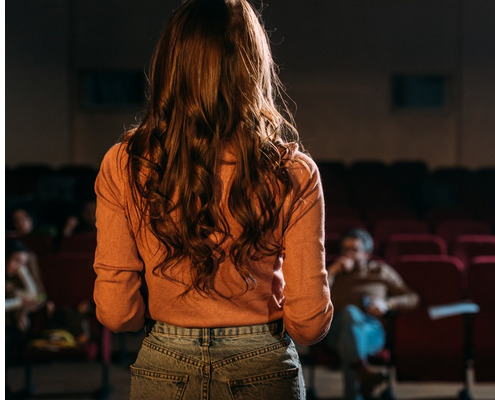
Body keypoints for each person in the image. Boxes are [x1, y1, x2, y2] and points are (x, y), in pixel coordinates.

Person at [93, 1, 333, 399]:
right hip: (263, 368)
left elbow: (117, 314)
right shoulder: (294, 172)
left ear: (172, 64)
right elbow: (309, 324)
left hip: (163, 370)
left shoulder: (124, 162)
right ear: (253, 67)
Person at [326, 228, 419, 400]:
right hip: (336, 329)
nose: (349, 254)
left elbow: (412, 297)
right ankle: (362, 372)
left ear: (367, 254)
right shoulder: (334, 272)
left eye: (354, 250)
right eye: (345, 250)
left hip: (372, 331)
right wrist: (332, 272)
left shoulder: (380, 271)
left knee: (351, 335)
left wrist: (388, 303)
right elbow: (316, 299)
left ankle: (355, 387)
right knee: (349, 314)